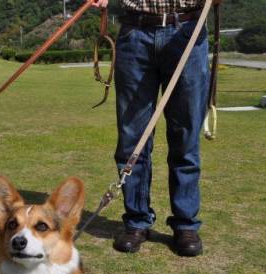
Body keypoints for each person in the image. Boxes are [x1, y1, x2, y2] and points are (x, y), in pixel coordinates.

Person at [92, 0, 219, 257]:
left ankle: (185, 224)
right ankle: (137, 221)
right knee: (131, 138)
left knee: (185, 137)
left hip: (187, 30)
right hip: (135, 32)